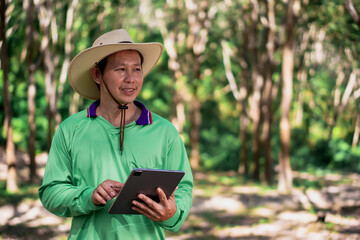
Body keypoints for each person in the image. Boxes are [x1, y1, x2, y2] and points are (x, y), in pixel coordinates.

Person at [38, 29, 193, 239]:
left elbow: (183, 188)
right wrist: (87, 196)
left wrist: (172, 213)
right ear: (97, 75)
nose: (131, 79)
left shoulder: (165, 131)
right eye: (121, 69)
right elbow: (51, 191)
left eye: (137, 69)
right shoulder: (70, 129)